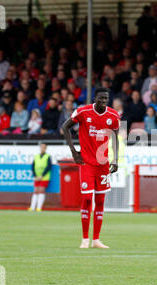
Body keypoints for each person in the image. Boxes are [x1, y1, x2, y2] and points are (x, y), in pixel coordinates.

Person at [62, 88, 120, 249]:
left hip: (103, 164)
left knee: (100, 200)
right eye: (101, 98)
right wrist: (74, 152)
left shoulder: (113, 116)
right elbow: (65, 127)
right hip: (86, 162)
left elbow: (115, 138)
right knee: (87, 199)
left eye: (106, 98)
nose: (103, 101)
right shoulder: (83, 112)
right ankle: (85, 238)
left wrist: (115, 159)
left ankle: (96, 239)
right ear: (95, 98)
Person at [28, 143, 52, 212]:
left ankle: (39, 207)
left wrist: (42, 175)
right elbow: (33, 166)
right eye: (41, 147)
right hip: (37, 177)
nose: (42, 148)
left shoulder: (48, 156)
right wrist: (35, 175)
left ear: (46, 148)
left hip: (44, 177)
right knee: (35, 191)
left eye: (44, 147)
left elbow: (49, 167)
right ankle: (32, 207)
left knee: (41, 190)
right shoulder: (36, 156)